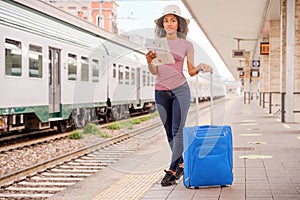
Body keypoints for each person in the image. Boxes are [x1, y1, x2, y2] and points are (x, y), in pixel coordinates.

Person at [145, 4, 212, 186]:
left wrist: (200, 67)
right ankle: (181, 163)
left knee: (177, 131)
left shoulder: (187, 45)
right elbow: (153, 71)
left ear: (179, 23)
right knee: (168, 132)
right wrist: (149, 61)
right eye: (165, 21)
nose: (169, 24)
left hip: (180, 89)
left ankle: (173, 169)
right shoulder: (157, 44)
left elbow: (190, 71)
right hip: (160, 91)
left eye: (173, 20)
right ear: (162, 24)